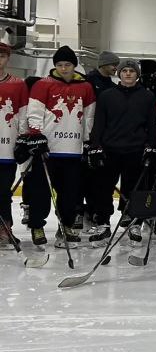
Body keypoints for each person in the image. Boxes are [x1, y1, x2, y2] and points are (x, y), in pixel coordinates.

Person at [23, 46, 96, 247]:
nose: (64, 68)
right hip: (48, 150)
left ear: (74, 65)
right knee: (40, 192)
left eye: (68, 65)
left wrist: (87, 141)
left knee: (70, 194)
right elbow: (34, 112)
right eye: (60, 65)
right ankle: (37, 225)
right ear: (55, 66)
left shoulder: (86, 87)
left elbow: (88, 117)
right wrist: (36, 136)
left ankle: (66, 225)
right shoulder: (43, 85)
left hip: (72, 150)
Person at [86, 58, 156, 244]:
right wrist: (95, 146)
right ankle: (103, 223)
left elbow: (152, 123)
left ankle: (134, 222)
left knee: (135, 189)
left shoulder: (147, 96)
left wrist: (151, 145)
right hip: (109, 149)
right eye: (124, 71)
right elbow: (99, 123)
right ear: (119, 73)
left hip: (136, 150)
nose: (128, 74)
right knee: (103, 189)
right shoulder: (107, 96)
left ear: (137, 75)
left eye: (131, 71)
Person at [0, 43, 28, 248]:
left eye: (2, 56)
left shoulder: (18, 84)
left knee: (3, 192)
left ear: (8, 58)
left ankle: (5, 228)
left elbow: (24, 114)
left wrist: (23, 140)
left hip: (6, 149)